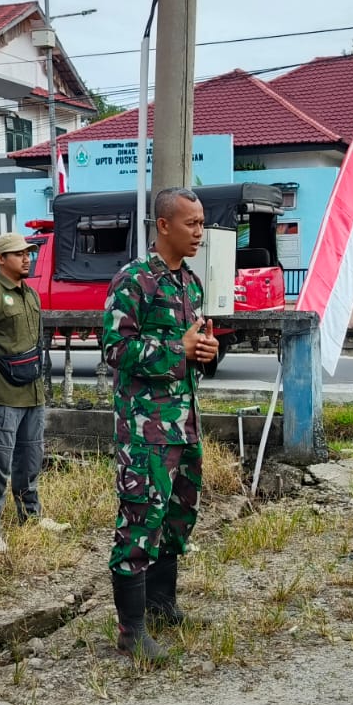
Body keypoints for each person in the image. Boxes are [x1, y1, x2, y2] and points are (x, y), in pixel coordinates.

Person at [101, 187, 219, 662]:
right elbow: (116, 350)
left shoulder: (190, 284)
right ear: (163, 225)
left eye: (202, 222)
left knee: (176, 517)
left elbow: (194, 349)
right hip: (146, 430)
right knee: (138, 521)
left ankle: (162, 604)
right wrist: (179, 352)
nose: (200, 232)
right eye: (191, 223)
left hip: (184, 423)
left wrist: (204, 355)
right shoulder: (134, 281)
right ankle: (131, 633)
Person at [0, 232, 68, 553]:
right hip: (1, 394)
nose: (27, 258)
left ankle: (31, 515)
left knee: (31, 457)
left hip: (32, 392)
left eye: (28, 253)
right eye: (18, 254)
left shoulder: (31, 295)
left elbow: (38, 343)